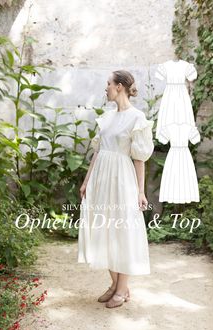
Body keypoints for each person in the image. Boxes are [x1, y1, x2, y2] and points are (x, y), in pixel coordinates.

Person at [78, 70, 154, 308]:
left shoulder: (137, 118)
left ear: (120, 86)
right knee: (103, 229)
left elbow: (139, 158)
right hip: (101, 178)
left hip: (122, 179)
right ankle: (114, 284)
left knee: (122, 231)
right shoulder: (107, 118)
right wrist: (86, 181)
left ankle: (122, 289)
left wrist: (141, 192)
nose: (106, 88)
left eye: (108, 84)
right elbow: (98, 152)